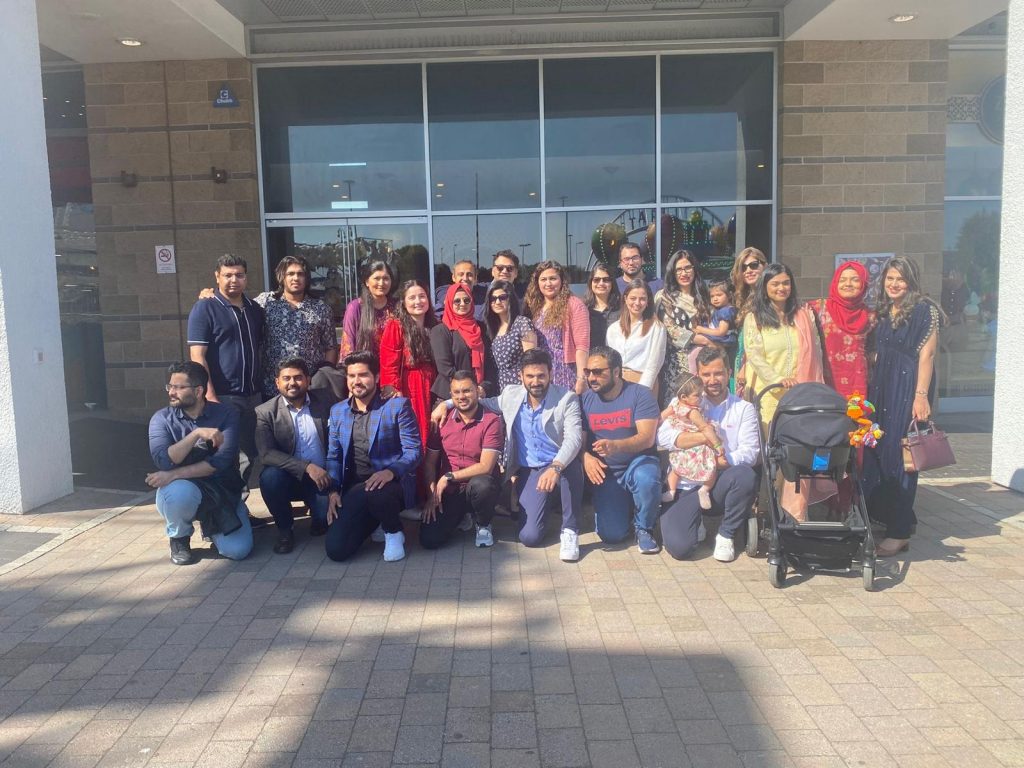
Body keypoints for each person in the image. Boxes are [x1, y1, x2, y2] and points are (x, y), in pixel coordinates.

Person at [432, 348, 584, 560]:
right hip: (530, 470)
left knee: (572, 466)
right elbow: (478, 401)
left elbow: (574, 438)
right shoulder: (511, 395)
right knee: (529, 537)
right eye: (530, 376)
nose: (536, 381)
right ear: (520, 376)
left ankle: (570, 529)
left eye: (541, 375)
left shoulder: (567, 398)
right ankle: (548, 501)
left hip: (559, 464)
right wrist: (446, 404)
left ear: (550, 373)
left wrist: (556, 467)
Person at [862, 256, 940, 557]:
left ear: (911, 281)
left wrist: (921, 396)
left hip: (907, 388)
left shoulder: (924, 310)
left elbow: (927, 356)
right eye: (890, 278)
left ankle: (899, 533)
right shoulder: (884, 310)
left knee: (903, 457)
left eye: (901, 279)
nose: (894, 284)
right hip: (882, 387)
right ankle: (894, 517)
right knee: (879, 451)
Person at [658, 347, 760, 562]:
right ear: (698, 375)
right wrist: (704, 437)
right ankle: (696, 522)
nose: (712, 380)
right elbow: (663, 438)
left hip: (718, 483)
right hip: (685, 484)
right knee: (679, 548)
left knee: (745, 475)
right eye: (706, 374)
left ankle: (726, 534)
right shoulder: (683, 402)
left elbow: (750, 452)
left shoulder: (744, 409)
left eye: (718, 373)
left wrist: (714, 462)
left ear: (729, 373)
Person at [147, 362, 253, 565]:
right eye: (170, 386)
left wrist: (174, 474)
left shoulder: (226, 414)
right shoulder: (161, 419)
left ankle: (215, 526)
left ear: (198, 391)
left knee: (238, 551)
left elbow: (221, 461)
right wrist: (195, 434)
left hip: (221, 489)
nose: (171, 392)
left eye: (179, 387)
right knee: (178, 493)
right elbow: (164, 461)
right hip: (185, 489)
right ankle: (179, 537)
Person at [187, 254, 266, 524]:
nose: (234, 280)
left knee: (248, 456)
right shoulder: (205, 308)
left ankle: (238, 511)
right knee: (225, 456)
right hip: (222, 396)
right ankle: (222, 516)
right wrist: (210, 397)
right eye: (228, 275)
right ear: (217, 277)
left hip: (252, 395)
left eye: (239, 275)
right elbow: (197, 357)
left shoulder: (254, 309)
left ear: (246, 277)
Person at [324, 351, 422, 563]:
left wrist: (391, 472)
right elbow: (334, 456)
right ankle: (376, 521)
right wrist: (333, 490)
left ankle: (393, 531)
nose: (356, 381)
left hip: (390, 486)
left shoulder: (397, 406)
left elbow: (414, 451)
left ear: (376, 377)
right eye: (351, 376)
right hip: (355, 490)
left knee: (378, 492)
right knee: (336, 550)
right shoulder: (338, 411)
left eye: (363, 375)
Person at [580, 346, 662, 554]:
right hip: (607, 473)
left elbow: (647, 438)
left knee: (646, 478)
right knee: (611, 536)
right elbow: (578, 442)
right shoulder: (585, 400)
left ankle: (644, 527)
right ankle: (627, 511)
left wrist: (617, 446)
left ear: (616, 371)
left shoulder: (640, 394)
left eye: (598, 372)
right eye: (588, 372)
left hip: (639, 463)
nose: (591, 377)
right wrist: (585, 457)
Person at [255, 358, 337, 554]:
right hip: (288, 478)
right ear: (277, 382)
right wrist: (306, 467)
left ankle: (316, 513)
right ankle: (285, 529)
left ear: (308, 380)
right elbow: (266, 454)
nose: (292, 383)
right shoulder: (265, 411)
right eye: (286, 378)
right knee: (269, 477)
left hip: (322, 479)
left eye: (298, 377)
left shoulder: (326, 401)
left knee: (323, 521)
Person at [421, 370, 504, 550]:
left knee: (483, 485)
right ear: (450, 394)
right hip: (451, 490)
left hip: (477, 483)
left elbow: (486, 466)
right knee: (429, 539)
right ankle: (462, 516)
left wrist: (449, 476)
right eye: (456, 392)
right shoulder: (441, 420)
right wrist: (432, 495)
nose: (461, 396)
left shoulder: (492, 420)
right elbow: (429, 463)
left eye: (467, 391)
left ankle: (483, 524)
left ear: (477, 391)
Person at [742, 262, 824, 429]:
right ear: (765, 286)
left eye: (786, 283)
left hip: (801, 392)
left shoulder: (805, 316)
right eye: (775, 284)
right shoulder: (754, 318)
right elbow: (754, 356)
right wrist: (778, 380)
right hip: (768, 392)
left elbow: (817, 353)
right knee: (770, 439)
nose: (781, 288)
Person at [379, 280, 437, 509]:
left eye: (422, 296)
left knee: (432, 439)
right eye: (412, 297)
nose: (418, 301)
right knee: (415, 440)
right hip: (409, 388)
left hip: (432, 386)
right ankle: (414, 499)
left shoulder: (434, 325)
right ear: (403, 302)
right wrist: (395, 394)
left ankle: (432, 495)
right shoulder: (396, 325)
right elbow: (388, 363)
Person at [806, 261, 876, 400]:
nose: (848, 284)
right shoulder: (817, 309)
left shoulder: (871, 316)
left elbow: (874, 351)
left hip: (857, 385)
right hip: (823, 383)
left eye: (855, 280)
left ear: (863, 284)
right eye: (842, 280)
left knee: (855, 414)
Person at [525, 260, 590, 395]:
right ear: (537, 282)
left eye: (553, 278)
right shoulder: (535, 306)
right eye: (543, 279)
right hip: (542, 372)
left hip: (565, 371)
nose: (548, 283)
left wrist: (581, 378)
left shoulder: (574, 305)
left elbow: (582, 346)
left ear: (562, 281)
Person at [655, 249, 710, 407]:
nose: (683, 273)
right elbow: (670, 331)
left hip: (704, 360)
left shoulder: (705, 296)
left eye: (687, 268)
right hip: (677, 363)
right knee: (679, 406)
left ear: (694, 269)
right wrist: (702, 340)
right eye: (678, 269)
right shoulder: (665, 298)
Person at [660, 374, 721, 509]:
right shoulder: (692, 412)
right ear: (684, 397)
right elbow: (704, 428)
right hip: (692, 440)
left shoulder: (675, 404)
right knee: (709, 469)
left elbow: (662, 416)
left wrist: (656, 422)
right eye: (697, 395)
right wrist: (717, 444)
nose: (701, 397)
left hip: (688, 443)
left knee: (677, 469)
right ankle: (699, 489)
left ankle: (676, 491)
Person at [431, 282, 496, 401]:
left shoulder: (481, 328)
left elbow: (490, 362)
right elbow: (445, 368)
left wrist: (483, 387)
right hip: (451, 395)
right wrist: (469, 388)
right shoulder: (441, 330)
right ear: (449, 302)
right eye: (457, 301)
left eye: (467, 300)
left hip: (479, 394)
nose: (462, 304)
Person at [606, 278, 667, 396]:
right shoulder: (613, 329)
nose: (637, 303)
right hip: (616, 384)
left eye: (642, 299)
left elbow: (654, 365)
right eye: (633, 298)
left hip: (643, 383)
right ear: (625, 299)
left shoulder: (656, 328)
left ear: (648, 301)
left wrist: (641, 392)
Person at [485, 279, 537, 389]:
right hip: (503, 388)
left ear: (510, 299)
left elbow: (531, 359)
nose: (497, 302)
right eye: (493, 299)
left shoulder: (522, 323)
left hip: (520, 386)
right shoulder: (494, 328)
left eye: (502, 297)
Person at [729, 247, 768, 395]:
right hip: (741, 355)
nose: (748, 270)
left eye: (754, 265)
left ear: (764, 265)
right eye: (744, 268)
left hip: (757, 359)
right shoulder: (744, 296)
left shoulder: (767, 296)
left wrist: (745, 365)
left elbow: (759, 336)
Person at [341, 259, 397, 357]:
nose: (381, 283)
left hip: (393, 365)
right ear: (367, 281)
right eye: (376, 278)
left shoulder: (398, 307)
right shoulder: (355, 308)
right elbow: (348, 347)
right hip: (364, 365)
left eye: (386, 278)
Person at [693, 280, 738, 366]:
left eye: (719, 295)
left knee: (694, 338)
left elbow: (721, 332)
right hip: (720, 338)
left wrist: (702, 330)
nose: (715, 299)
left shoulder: (726, 311)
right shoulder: (719, 309)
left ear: (729, 295)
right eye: (712, 296)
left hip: (724, 339)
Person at [583, 264, 621, 348]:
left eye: (606, 280)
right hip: (590, 355)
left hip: (616, 355)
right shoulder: (583, 309)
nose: (601, 283)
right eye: (596, 280)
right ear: (590, 283)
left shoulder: (622, 309)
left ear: (612, 283)